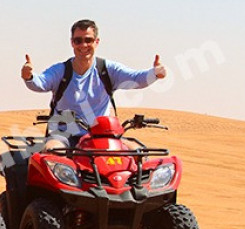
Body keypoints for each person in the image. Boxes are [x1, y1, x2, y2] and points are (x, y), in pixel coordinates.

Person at [22, 19, 166, 150]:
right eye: (78, 41)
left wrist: (155, 73)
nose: (83, 45)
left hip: (102, 134)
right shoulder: (61, 71)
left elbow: (135, 79)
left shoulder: (107, 69)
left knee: (137, 152)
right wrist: (29, 76)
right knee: (53, 150)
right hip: (64, 134)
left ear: (96, 42)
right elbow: (41, 83)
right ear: (72, 42)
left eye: (88, 40)